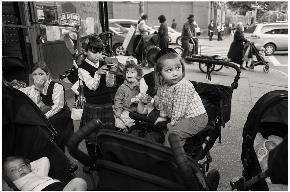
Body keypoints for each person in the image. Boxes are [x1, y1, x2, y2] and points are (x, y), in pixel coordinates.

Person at [153, 48, 208, 147]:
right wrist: (162, 116)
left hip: (196, 119)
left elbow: (179, 109)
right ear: (160, 73)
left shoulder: (183, 85)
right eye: (169, 70)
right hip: (182, 117)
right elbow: (163, 103)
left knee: (173, 134)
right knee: (168, 130)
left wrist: (172, 124)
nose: (175, 73)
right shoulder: (163, 86)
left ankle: (170, 157)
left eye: (178, 68)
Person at [78, 36, 121, 161]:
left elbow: (109, 84)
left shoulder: (104, 63)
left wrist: (112, 72)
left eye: (100, 51)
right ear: (85, 51)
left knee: (107, 136)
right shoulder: (82, 68)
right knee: (92, 138)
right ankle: (93, 161)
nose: (98, 55)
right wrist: (97, 73)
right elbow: (92, 86)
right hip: (93, 105)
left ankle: (105, 160)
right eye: (94, 51)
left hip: (106, 103)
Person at [19, 63, 74, 152]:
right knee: (49, 139)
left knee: (60, 139)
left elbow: (57, 107)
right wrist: (37, 89)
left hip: (60, 115)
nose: (37, 77)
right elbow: (35, 101)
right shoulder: (35, 87)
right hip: (47, 113)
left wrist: (44, 117)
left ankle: (63, 157)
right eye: (34, 74)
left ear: (47, 75)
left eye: (41, 74)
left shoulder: (57, 86)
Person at [3, 156, 87, 191]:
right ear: (8, 178)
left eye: (22, 166)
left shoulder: (39, 174)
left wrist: (29, 167)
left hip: (61, 189)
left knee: (79, 182)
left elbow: (44, 159)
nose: (20, 169)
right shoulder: (19, 188)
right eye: (13, 170)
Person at [114, 60, 144, 132]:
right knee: (119, 121)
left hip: (138, 111)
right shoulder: (122, 87)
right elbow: (118, 99)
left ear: (138, 75)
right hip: (126, 110)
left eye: (132, 72)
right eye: (127, 72)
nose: (129, 74)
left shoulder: (140, 86)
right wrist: (118, 110)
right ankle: (124, 129)